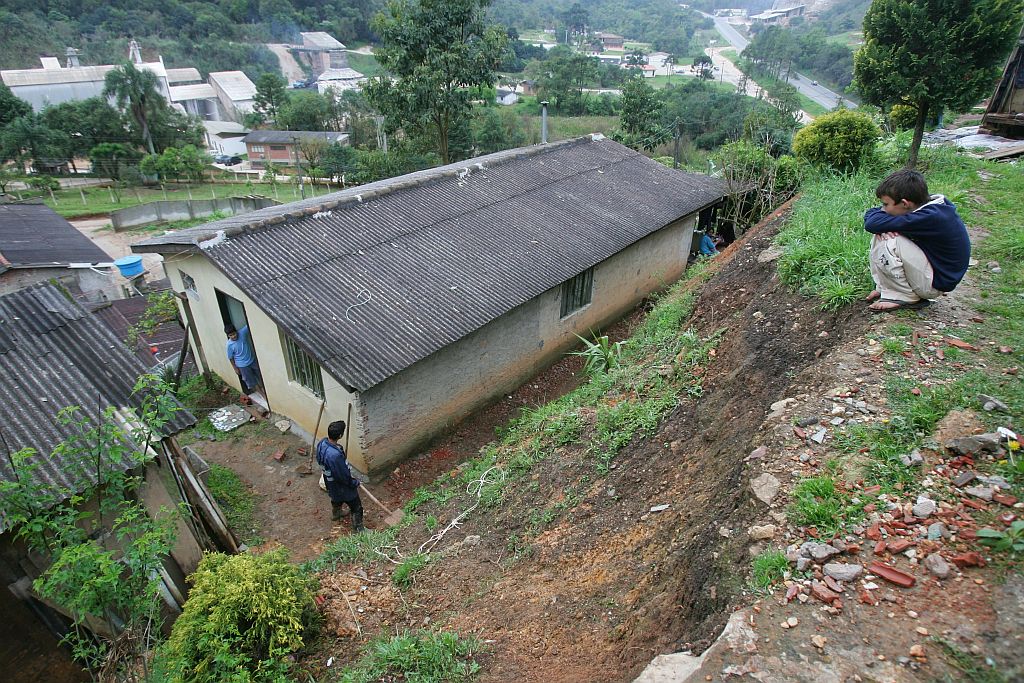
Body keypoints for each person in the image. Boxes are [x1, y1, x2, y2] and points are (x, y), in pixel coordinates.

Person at [863, 169, 970, 313]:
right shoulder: (929, 207)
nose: (883, 209)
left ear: (905, 203)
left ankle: (902, 295)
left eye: (886, 204)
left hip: (933, 285)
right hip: (933, 274)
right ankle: (886, 288)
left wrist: (883, 224)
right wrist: (883, 223)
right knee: (882, 233)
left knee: (891, 241)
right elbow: (872, 215)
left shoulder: (929, 218)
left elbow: (872, 223)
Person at [316, 420, 364, 532]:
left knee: (335, 498)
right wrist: (354, 483)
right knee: (356, 507)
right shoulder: (334, 456)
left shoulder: (322, 443)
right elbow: (342, 477)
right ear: (340, 435)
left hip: (330, 482)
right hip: (341, 486)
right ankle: (358, 529)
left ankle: (336, 514)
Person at [224, 323, 264, 396]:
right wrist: (235, 368)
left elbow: (249, 323)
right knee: (252, 382)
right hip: (242, 365)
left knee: (260, 376)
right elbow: (230, 358)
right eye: (231, 335)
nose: (233, 336)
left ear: (236, 331)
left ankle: (265, 390)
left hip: (252, 360)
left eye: (234, 334)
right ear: (228, 336)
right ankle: (263, 395)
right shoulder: (229, 345)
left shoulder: (242, 333)